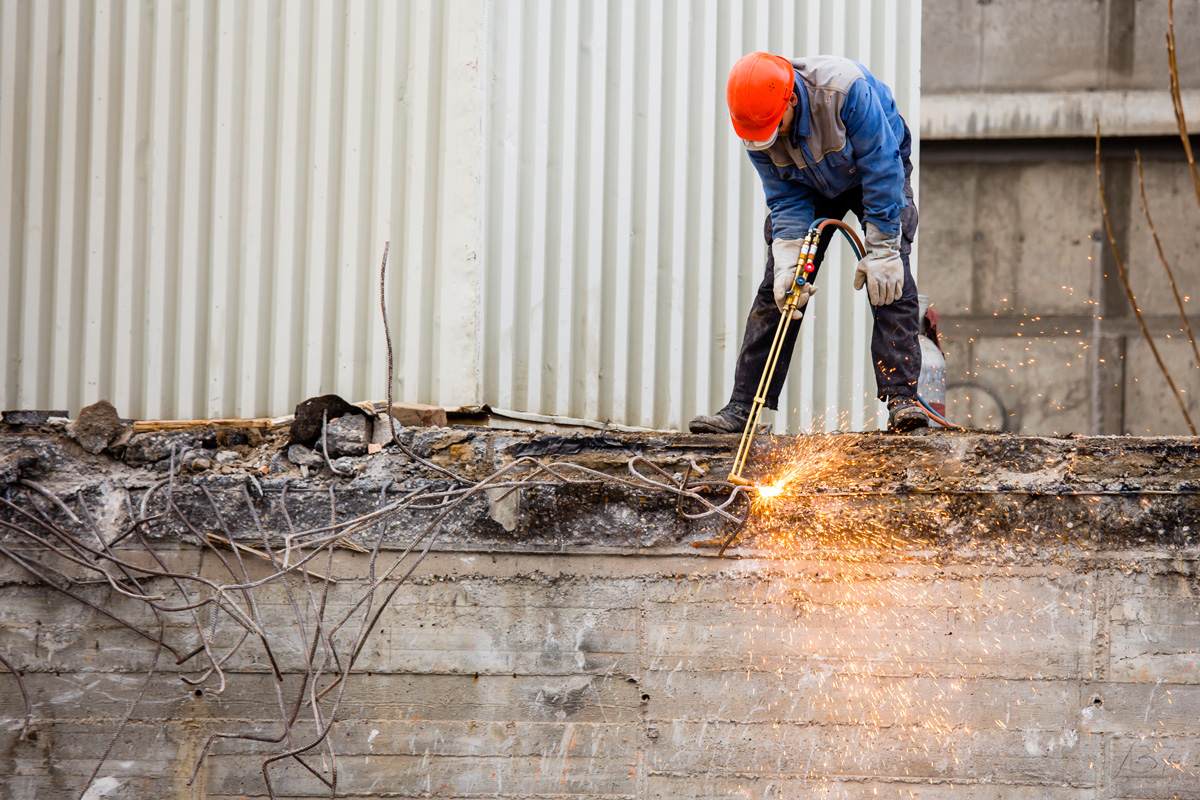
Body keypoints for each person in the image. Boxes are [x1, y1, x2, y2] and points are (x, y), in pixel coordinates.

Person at [689, 52, 928, 434]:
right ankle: (743, 406)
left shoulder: (844, 91)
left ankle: (904, 400)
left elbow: (881, 164)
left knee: (890, 280)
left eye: (777, 127)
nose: (774, 138)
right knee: (778, 291)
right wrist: (788, 264)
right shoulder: (758, 128)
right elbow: (785, 199)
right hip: (808, 186)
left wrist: (882, 248)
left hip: (873, 172)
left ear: (793, 100)